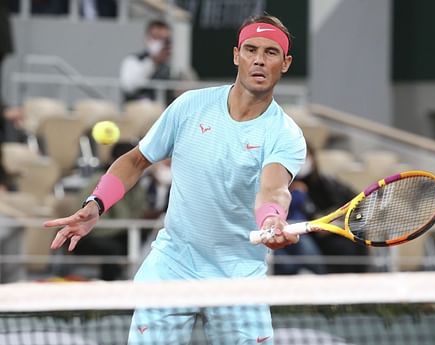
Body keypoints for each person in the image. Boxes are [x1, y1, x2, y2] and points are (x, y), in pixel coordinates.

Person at [44, 14, 306, 344]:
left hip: (238, 276)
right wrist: (96, 203)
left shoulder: (285, 134)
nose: (258, 59)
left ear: (285, 63)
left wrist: (272, 219)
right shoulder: (190, 106)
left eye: (270, 53)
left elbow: (274, 188)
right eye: (251, 49)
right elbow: (136, 159)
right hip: (172, 266)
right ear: (236, 55)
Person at [68, 141, 148, 281]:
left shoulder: (138, 186)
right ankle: (111, 287)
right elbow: (94, 226)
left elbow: (138, 214)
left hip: (121, 234)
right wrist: (126, 225)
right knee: (114, 248)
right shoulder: (97, 183)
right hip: (89, 236)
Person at [297, 145, 370, 273]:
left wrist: (343, 222)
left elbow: (356, 202)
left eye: (306, 156)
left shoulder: (327, 182)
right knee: (341, 248)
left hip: (340, 231)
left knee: (357, 242)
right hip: (314, 237)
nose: (303, 162)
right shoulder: (288, 188)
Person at [119, 19, 195, 104]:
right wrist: (153, 61)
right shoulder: (133, 60)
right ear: (147, 38)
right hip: (139, 112)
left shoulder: (174, 65)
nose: (161, 43)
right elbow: (129, 86)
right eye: (156, 38)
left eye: (165, 40)